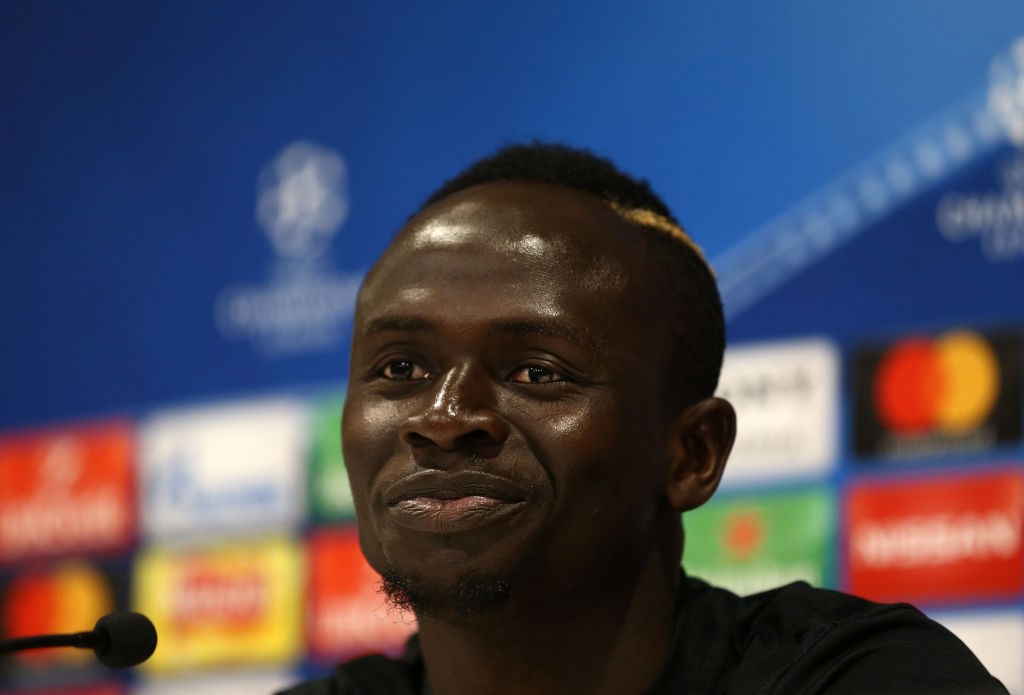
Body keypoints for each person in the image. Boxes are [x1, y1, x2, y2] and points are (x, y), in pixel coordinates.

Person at [279, 143, 1006, 694]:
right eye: (401, 369)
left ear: (692, 452)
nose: (444, 417)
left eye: (538, 371)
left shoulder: (864, 680)